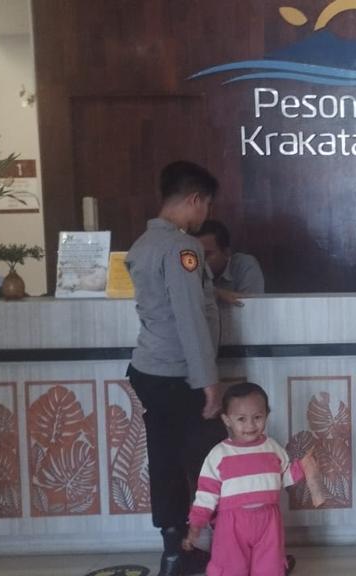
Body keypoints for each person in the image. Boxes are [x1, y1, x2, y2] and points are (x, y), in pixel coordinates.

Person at [125, 160, 226, 576]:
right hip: (178, 374)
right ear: (194, 199)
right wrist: (208, 381)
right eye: (206, 206)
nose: (206, 215)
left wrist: (214, 292)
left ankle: (174, 551)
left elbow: (170, 300)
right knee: (211, 461)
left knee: (165, 460)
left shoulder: (142, 244)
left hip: (149, 370)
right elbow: (189, 317)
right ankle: (223, 551)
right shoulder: (183, 248)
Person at [185, 383, 322, 576]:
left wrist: (304, 467)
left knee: (270, 566)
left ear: (266, 415)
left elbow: (284, 477)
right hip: (231, 525)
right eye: (241, 419)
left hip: (269, 522)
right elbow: (206, 495)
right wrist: (196, 524)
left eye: (257, 417)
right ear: (226, 419)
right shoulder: (218, 454)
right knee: (231, 567)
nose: (250, 425)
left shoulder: (272, 448)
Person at [193, 219, 265, 296]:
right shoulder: (190, 268)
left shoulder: (244, 265)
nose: (199, 260)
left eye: (206, 255)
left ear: (226, 253)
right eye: (195, 255)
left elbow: (251, 302)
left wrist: (213, 293)